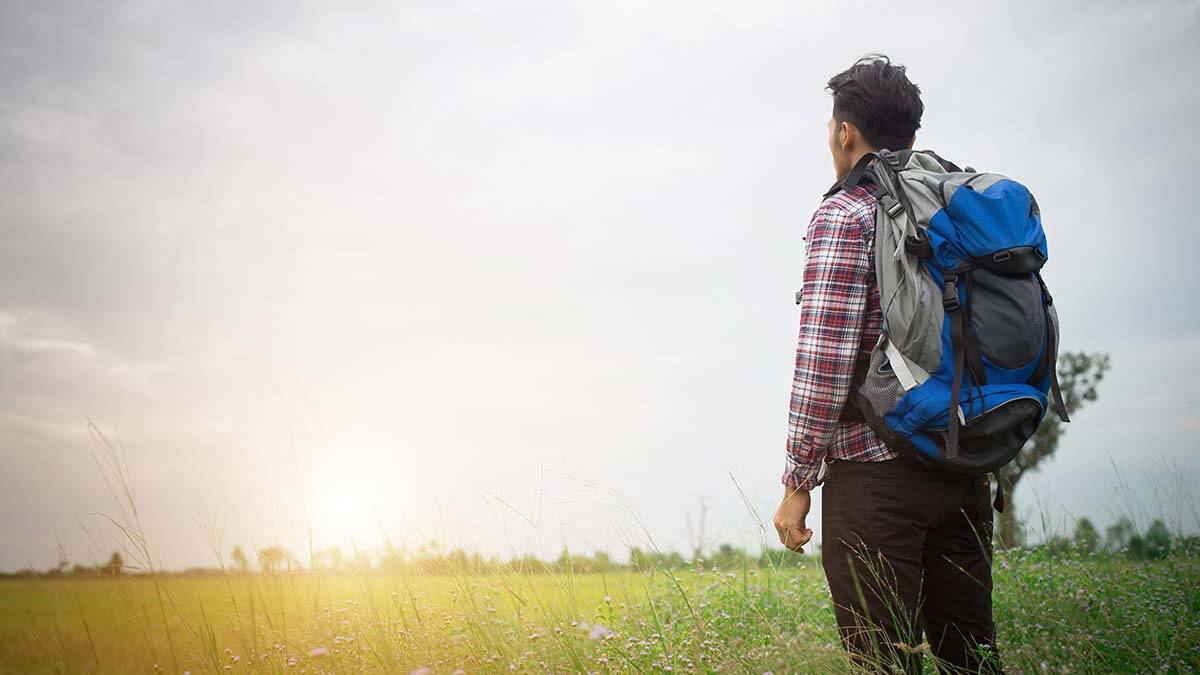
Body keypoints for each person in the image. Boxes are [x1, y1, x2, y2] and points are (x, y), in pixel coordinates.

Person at [772, 55, 1000, 674]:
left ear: (846, 131)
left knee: (883, 664)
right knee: (969, 663)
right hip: (962, 466)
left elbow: (823, 364)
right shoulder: (953, 211)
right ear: (911, 136)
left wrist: (797, 481)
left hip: (876, 482)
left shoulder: (843, 216)